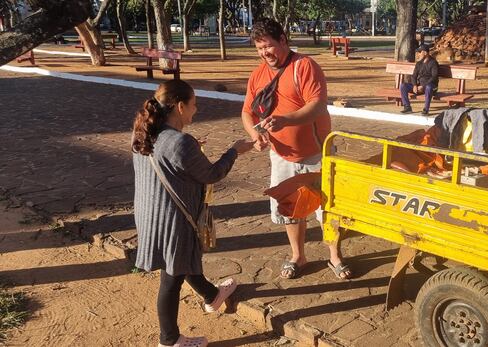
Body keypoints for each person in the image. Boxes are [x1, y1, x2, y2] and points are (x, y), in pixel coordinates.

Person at [132, 80, 254, 347]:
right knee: (171, 277)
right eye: (194, 104)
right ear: (179, 106)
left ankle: (212, 297)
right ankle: (170, 340)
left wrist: (191, 148)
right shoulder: (181, 142)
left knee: (178, 262)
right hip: (174, 219)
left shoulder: (144, 132)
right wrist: (234, 151)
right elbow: (212, 174)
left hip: (150, 215)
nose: (195, 110)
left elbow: (168, 161)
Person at [241, 19, 352, 280]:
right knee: (290, 208)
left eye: (268, 46)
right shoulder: (257, 75)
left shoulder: (304, 66)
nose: (264, 53)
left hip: (317, 154)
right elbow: (247, 111)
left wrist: (285, 119)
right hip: (282, 155)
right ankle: (297, 256)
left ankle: (334, 255)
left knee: (327, 208)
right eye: (259, 49)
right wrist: (254, 133)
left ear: (283, 39)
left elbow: (318, 105)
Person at [400, 44, 439, 115]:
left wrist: (423, 86)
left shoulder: (433, 63)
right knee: (403, 86)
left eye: (419, 52)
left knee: (428, 87)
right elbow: (414, 76)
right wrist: (415, 85)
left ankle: (426, 109)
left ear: (425, 53)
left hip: (431, 87)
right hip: (419, 86)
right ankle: (407, 107)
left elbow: (434, 77)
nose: (418, 55)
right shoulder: (419, 63)